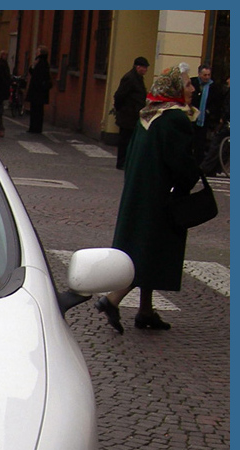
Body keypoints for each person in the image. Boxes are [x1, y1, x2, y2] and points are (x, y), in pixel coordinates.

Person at [95, 65, 201, 333]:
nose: (192, 89)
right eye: (187, 85)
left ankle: (145, 309)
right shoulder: (175, 118)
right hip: (160, 198)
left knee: (146, 246)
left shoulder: (149, 113)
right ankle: (112, 299)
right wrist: (191, 178)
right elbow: (179, 162)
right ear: (175, 89)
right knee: (148, 250)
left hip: (141, 193)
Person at [113, 56, 150, 170]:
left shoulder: (137, 78)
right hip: (128, 114)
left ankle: (126, 161)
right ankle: (122, 162)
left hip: (133, 115)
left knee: (129, 140)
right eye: (144, 67)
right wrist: (121, 109)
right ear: (137, 67)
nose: (145, 70)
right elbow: (119, 95)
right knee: (125, 140)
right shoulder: (130, 78)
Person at [190, 64, 225, 162]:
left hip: (204, 118)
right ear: (199, 74)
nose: (207, 77)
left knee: (200, 142)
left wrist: (209, 112)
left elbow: (217, 103)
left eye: (208, 75)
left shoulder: (213, 87)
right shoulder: (192, 83)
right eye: (204, 75)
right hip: (192, 117)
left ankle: (199, 162)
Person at [26, 45, 51, 134]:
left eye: (38, 51)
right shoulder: (43, 63)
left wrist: (33, 67)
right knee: (38, 110)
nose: (36, 52)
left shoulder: (40, 62)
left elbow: (37, 76)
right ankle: (35, 128)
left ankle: (34, 128)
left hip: (37, 91)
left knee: (36, 110)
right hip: (40, 91)